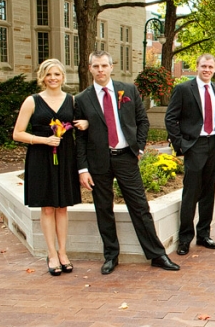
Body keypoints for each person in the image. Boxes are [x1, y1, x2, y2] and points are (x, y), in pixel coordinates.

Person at [75, 51, 180, 275]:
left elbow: (142, 121)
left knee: (140, 207)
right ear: (90, 68)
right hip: (98, 161)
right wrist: (83, 169)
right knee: (104, 209)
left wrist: (139, 149)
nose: (100, 70)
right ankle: (111, 256)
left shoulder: (128, 90)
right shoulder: (82, 99)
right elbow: (80, 138)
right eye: (96, 66)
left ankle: (157, 254)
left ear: (111, 67)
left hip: (126, 157)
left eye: (104, 65)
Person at [13, 59, 88, 276]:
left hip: (65, 157)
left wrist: (86, 123)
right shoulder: (32, 101)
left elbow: (83, 123)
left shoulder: (72, 101)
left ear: (63, 77)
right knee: (47, 207)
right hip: (40, 157)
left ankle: (63, 252)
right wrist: (43, 140)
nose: (53, 78)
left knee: (62, 206)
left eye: (56, 74)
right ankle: (52, 254)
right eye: (48, 74)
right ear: (42, 77)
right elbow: (18, 133)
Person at [165, 53, 215, 256]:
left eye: (210, 67)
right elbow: (170, 118)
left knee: (208, 193)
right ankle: (185, 238)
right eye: (204, 66)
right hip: (194, 145)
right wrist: (181, 145)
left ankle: (204, 235)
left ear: (214, 69)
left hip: (213, 144)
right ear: (197, 66)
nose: (207, 70)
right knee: (191, 193)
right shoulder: (184, 89)